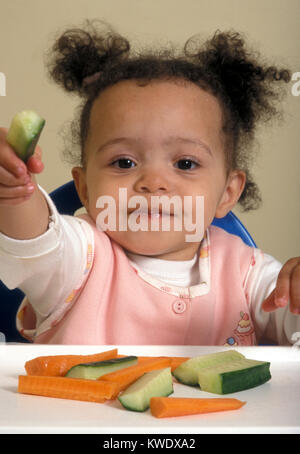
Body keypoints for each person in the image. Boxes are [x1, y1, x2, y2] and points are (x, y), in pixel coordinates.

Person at [0, 21, 299, 345]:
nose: (154, 183)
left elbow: (289, 320)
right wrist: (14, 191)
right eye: (124, 162)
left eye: (185, 164)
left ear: (227, 192)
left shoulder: (248, 273)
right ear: (84, 189)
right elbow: (35, 242)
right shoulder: (77, 259)